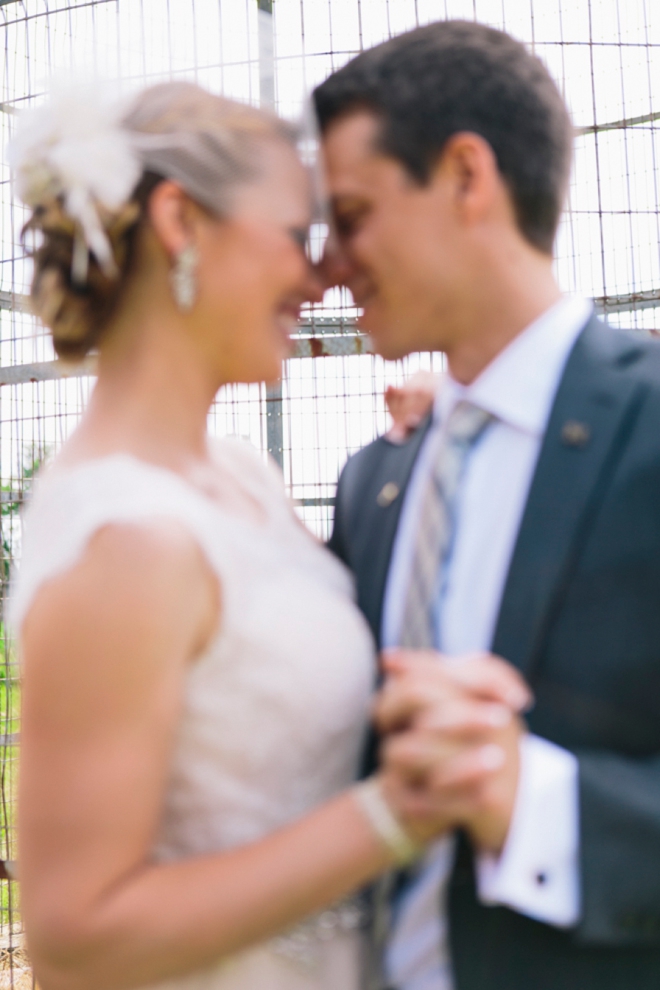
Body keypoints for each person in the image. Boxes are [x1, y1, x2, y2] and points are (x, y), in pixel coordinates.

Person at [8, 81, 529, 990]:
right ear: (181, 223)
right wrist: (390, 816)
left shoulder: (239, 474)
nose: (323, 274)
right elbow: (73, 939)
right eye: (296, 235)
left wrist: (449, 435)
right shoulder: (127, 542)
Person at [315, 19, 660, 990]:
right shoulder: (371, 483)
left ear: (468, 176)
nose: (330, 263)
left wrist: (537, 804)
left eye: (352, 214)